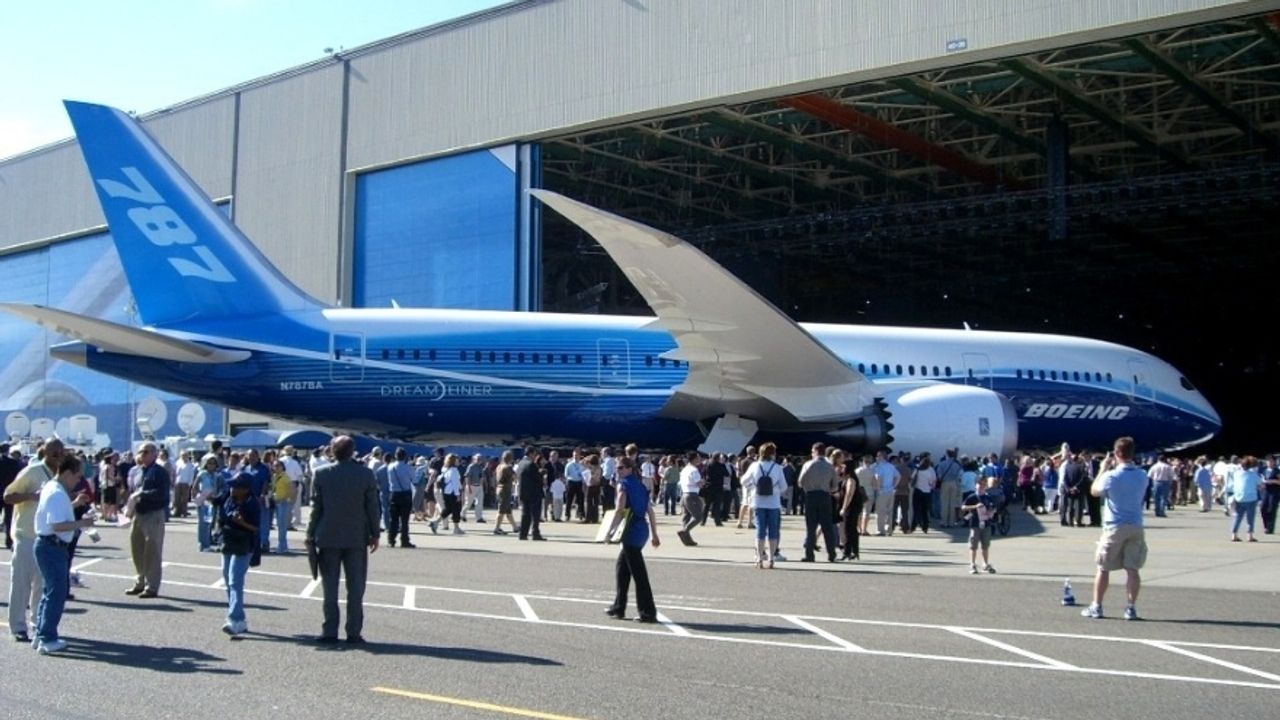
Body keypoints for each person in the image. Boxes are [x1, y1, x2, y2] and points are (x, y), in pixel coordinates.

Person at [305, 435, 380, 644]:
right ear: (352, 451)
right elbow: (372, 507)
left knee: (329, 587)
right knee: (356, 588)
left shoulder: (321, 473)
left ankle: (329, 630)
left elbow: (315, 508)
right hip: (356, 536)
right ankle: (353, 631)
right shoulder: (365, 474)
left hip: (327, 535)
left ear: (332, 451)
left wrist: (309, 534)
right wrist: (375, 533)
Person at [31, 454, 97, 654]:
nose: (78, 480)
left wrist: (75, 503)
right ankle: (47, 638)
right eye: (77, 476)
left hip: (49, 545)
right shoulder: (57, 493)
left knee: (49, 592)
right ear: (68, 473)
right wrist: (82, 523)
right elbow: (57, 525)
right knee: (56, 593)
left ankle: (41, 634)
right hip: (52, 546)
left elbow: (56, 515)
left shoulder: (53, 488)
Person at [1081, 437, 1149, 621]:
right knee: (1132, 569)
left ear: (1117, 454)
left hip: (1115, 526)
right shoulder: (1142, 475)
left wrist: (1102, 469)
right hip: (1135, 524)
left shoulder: (1111, 476)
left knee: (1103, 568)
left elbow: (1094, 491)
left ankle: (1097, 606)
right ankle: (1131, 608)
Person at [6, 440, 64, 642]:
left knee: (42, 586)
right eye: (53, 450)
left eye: (60, 451)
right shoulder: (32, 471)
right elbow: (8, 496)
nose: (57, 454)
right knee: (21, 584)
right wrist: (31, 496)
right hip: (26, 536)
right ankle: (17, 626)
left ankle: (38, 624)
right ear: (44, 451)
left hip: (47, 538)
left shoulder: (60, 476)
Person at [604, 456, 660, 623]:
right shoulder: (640, 486)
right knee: (622, 568)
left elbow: (619, 510)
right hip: (641, 529)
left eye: (621, 468)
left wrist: (609, 531)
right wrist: (654, 534)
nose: (618, 470)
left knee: (639, 573)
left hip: (631, 530)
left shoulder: (624, 485)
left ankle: (648, 612)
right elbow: (649, 511)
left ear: (629, 469)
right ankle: (618, 606)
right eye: (617, 468)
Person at [217, 472, 260, 636]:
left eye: (236, 486)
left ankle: (234, 619)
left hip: (244, 544)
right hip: (228, 541)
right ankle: (239, 620)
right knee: (227, 579)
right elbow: (221, 513)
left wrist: (241, 522)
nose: (232, 488)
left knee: (235, 581)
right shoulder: (228, 498)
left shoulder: (253, 503)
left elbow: (256, 528)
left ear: (245, 489)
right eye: (232, 485)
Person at [126, 441, 170, 599]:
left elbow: (163, 495)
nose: (141, 455)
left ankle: (152, 586)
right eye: (140, 452)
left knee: (152, 550)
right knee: (136, 548)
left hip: (153, 514)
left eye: (145, 452)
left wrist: (142, 495)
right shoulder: (138, 471)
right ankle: (140, 581)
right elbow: (133, 490)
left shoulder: (159, 472)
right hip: (138, 514)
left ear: (154, 454)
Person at [741, 442, 786, 569]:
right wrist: (775, 490)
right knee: (773, 531)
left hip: (758, 502)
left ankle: (759, 559)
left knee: (760, 531)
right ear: (773, 454)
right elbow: (784, 486)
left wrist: (753, 487)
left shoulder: (755, 466)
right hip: (773, 503)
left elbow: (743, 481)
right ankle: (771, 559)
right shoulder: (777, 468)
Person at [799, 443, 840, 563]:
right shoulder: (829, 466)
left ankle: (809, 554)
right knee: (827, 527)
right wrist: (827, 489)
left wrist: (807, 487)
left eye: (812, 451)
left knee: (811, 527)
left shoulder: (808, 464)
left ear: (816, 451)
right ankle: (831, 554)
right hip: (825, 496)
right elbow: (835, 486)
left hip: (811, 496)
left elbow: (800, 482)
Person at [960, 477, 1000, 574]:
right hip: (975, 524)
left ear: (986, 486)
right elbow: (963, 507)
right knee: (973, 545)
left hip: (986, 524)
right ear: (975, 485)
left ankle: (985, 564)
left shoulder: (987, 497)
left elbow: (993, 508)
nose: (981, 486)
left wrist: (991, 511)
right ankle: (972, 564)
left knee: (985, 545)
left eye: (983, 485)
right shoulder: (972, 497)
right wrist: (975, 506)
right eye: (979, 484)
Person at [1228, 456, 1265, 542]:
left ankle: (1234, 534)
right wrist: (1258, 487)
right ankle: (1249, 535)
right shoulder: (1253, 474)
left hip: (1239, 498)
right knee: (1250, 518)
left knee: (1238, 517)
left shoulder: (1236, 474)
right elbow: (1261, 485)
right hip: (1251, 498)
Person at [385, 448, 415, 548]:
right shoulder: (408, 467)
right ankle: (404, 540)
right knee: (404, 520)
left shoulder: (390, 467)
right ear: (405, 456)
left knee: (393, 519)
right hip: (405, 493)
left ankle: (391, 540)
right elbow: (413, 479)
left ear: (395, 456)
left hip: (394, 493)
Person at [838, 458, 867, 560]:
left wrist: (844, 507)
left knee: (848, 530)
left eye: (843, 467)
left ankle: (847, 552)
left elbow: (849, 494)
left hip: (852, 507)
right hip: (853, 506)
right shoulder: (848, 478)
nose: (842, 469)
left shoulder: (851, 479)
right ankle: (855, 551)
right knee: (853, 529)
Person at [517, 448, 547, 541]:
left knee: (525, 514)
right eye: (534, 454)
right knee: (535, 514)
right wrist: (542, 473)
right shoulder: (531, 464)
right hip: (534, 493)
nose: (535, 456)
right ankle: (535, 533)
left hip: (524, 492)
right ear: (530, 454)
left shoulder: (521, 463)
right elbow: (537, 478)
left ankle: (523, 533)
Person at [677, 451, 704, 546]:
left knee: (686, 516)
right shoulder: (694, 470)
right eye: (698, 458)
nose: (700, 460)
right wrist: (703, 482)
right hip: (692, 495)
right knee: (698, 517)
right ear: (694, 459)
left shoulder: (684, 469)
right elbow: (699, 483)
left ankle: (687, 538)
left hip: (684, 494)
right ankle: (685, 531)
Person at [270, 459, 294, 553]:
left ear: (282, 467)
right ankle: (282, 545)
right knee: (279, 525)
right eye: (274, 466)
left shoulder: (285, 477)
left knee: (282, 525)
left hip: (282, 503)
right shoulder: (274, 476)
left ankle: (282, 546)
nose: (276, 467)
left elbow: (291, 490)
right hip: (276, 502)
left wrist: (285, 498)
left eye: (278, 466)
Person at [492, 450, 517, 535]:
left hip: (499, 489)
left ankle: (515, 527)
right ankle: (496, 528)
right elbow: (515, 477)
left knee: (508, 510)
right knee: (501, 510)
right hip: (505, 490)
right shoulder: (508, 467)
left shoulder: (499, 466)